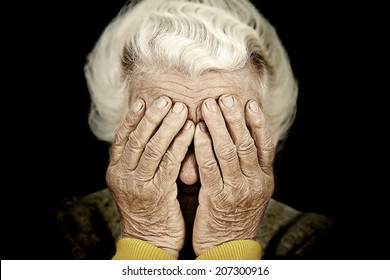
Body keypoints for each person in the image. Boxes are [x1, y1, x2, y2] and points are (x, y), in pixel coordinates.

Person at [53, 0, 334, 260]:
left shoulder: (318, 242)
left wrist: (230, 243)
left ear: (265, 136)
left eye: (222, 137)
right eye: (162, 137)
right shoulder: (60, 231)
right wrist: (146, 239)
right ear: (121, 131)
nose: (190, 175)